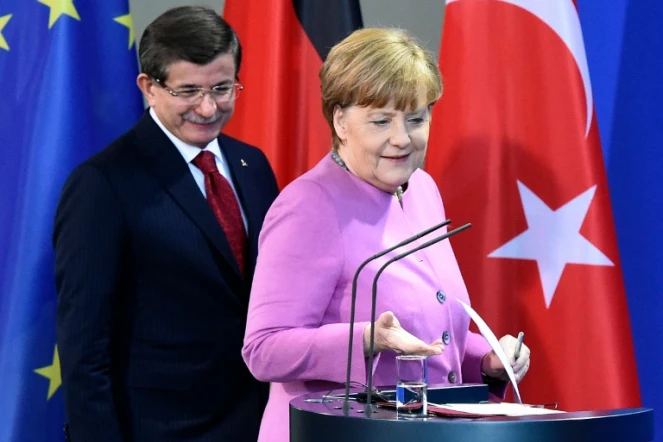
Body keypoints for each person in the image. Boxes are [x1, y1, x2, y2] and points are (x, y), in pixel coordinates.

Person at [242, 28, 532, 442]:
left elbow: (431, 333)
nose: (402, 138)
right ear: (340, 121)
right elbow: (263, 350)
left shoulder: (422, 189)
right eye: (381, 121)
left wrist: (487, 360)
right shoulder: (308, 206)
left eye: (416, 119)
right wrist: (366, 338)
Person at [54, 6, 279, 442]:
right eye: (189, 91)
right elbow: (84, 349)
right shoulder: (103, 183)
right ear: (149, 87)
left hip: (259, 421)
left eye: (222, 87)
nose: (208, 107)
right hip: (160, 428)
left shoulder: (253, 165)